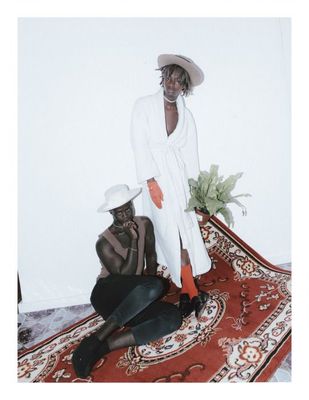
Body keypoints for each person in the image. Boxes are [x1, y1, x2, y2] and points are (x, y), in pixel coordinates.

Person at [130, 54, 212, 319]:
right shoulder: (143, 106)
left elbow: (191, 156)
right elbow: (139, 145)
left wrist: (197, 194)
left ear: (185, 86)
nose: (172, 85)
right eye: (169, 77)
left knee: (184, 234)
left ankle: (189, 295)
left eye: (179, 81)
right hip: (157, 179)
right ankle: (193, 293)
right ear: (162, 77)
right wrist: (150, 182)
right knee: (169, 234)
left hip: (179, 181)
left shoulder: (185, 115)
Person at [72, 184, 182, 379]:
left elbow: (151, 256)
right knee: (153, 286)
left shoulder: (145, 223)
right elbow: (125, 275)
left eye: (127, 208)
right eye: (119, 212)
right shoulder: (104, 243)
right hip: (107, 295)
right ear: (112, 213)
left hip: (134, 299)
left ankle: (102, 348)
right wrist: (133, 240)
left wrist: (150, 294)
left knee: (172, 317)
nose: (125, 214)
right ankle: (95, 339)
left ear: (132, 204)